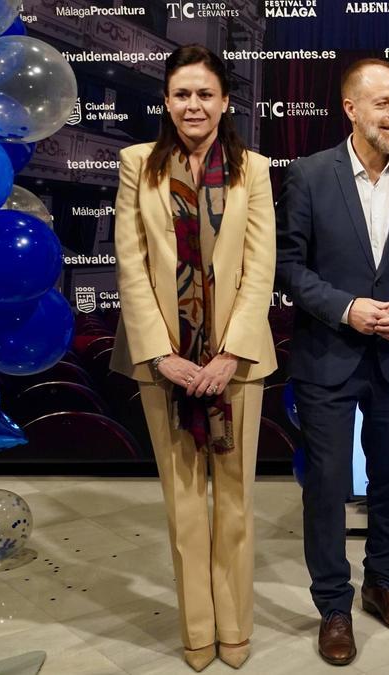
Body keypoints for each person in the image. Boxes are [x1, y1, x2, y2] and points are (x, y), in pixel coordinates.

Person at [275, 58, 389, 666]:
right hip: (328, 356)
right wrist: (345, 308)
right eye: (383, 103)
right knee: (325, 486)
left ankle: (383, 583)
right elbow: (290, 267)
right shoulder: (307, 175)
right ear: (351, 109)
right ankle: (333, 605)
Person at [111, 44, 276, 672]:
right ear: (166, 101)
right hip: (165, 362)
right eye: (182, 94)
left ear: (225, 102)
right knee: (184, 503)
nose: (193, 105)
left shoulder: (252, 169)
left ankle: (235, 633)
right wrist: (162, 355)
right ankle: (197, 636)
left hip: (237, 362)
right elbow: (131, 266)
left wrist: (229, 353)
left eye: (205, 93)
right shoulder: (137, 165)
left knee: (234, 502)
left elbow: (259, 270)